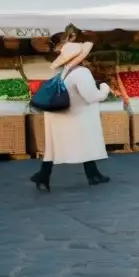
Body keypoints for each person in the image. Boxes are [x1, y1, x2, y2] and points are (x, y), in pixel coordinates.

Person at [30, 41, 112, 192]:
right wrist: (105, 89)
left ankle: (91, 175)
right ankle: (45, 175)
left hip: (59, 116)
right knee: (85, 142)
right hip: (77, 116)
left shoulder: (61, 72)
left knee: (54, 148)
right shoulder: (81, 72)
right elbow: (91, 96)